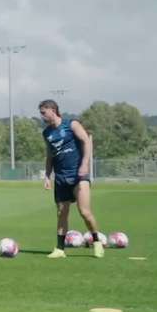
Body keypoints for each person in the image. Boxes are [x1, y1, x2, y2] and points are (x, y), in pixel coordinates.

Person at [39, 99, 103, 258]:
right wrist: (47, 176)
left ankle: (97, 241)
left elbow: (86, 141)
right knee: (61, 213)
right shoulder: (47, 133)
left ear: (53, 110)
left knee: (84, 212)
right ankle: (60, 249)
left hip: (78, 175)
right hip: (61, 177)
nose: (42, 116)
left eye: (43, 113)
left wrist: (84, 165)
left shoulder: (71, 124)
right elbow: (49, 156)